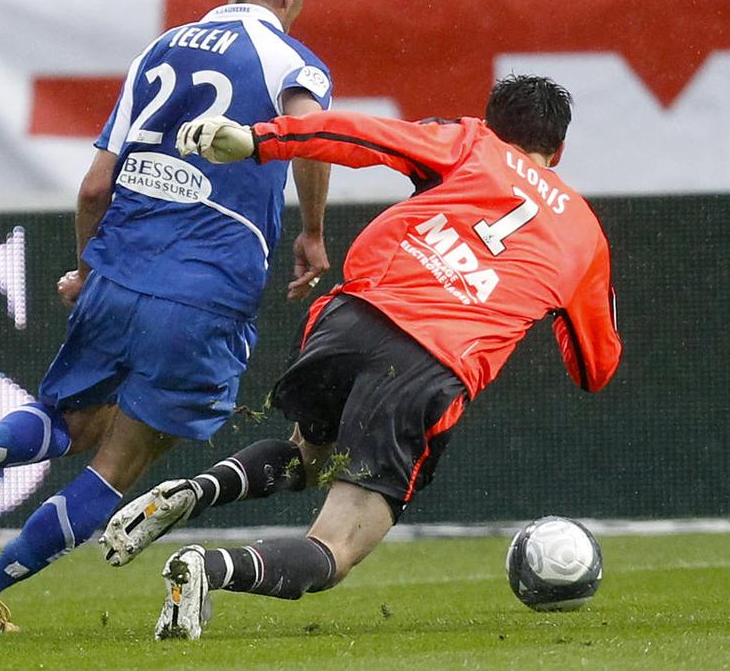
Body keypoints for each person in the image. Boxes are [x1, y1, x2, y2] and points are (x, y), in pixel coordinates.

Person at [0, 0, 333, 633]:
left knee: (74, 418)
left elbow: (94, 186)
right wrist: (312, 230)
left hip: (119, 267)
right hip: (205, 286)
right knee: (119, 462)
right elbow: (311, 134)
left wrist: (89, 270)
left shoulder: (159, 50)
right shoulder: (292, 62)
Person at [100, 75, 623, 641]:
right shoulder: (584, 236)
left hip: (352, 320)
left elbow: (362, 134)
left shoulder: (470, 142)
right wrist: (550, 303)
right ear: (559, 150)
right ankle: (211, 567)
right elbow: (594, 369)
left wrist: (258, 140)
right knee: (333, 548)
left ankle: (197, 491)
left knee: (308, 457)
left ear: (493, 124)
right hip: (429, 362)